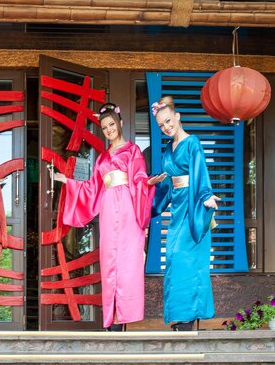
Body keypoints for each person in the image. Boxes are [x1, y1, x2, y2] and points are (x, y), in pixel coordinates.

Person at [54, 103, 158, 331]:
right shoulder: (101, 159)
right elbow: (92, 189)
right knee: (110, 261)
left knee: (127, 262)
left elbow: (139, 179)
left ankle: (123, 317)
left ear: (120, 123)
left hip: (129, 209)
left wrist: (147, 184)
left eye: (112, 124)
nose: (109, 129)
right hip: (110, 211)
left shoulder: (133, 152)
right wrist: (68, 182)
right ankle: (111, 318)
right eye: (104, 127)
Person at [149, 95, 220, 331]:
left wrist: (206, 196)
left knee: (188, 260)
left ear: (178, 117)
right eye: (162, 125)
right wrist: (151, 204)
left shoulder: (193, 143)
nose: (167, 127)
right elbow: (167, 186)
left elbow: (200, 170)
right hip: (178, 210)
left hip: (193, 208)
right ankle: (182, 317)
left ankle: (190, 318)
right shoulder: (167, 151)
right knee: (172, 258)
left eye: (169, 121)